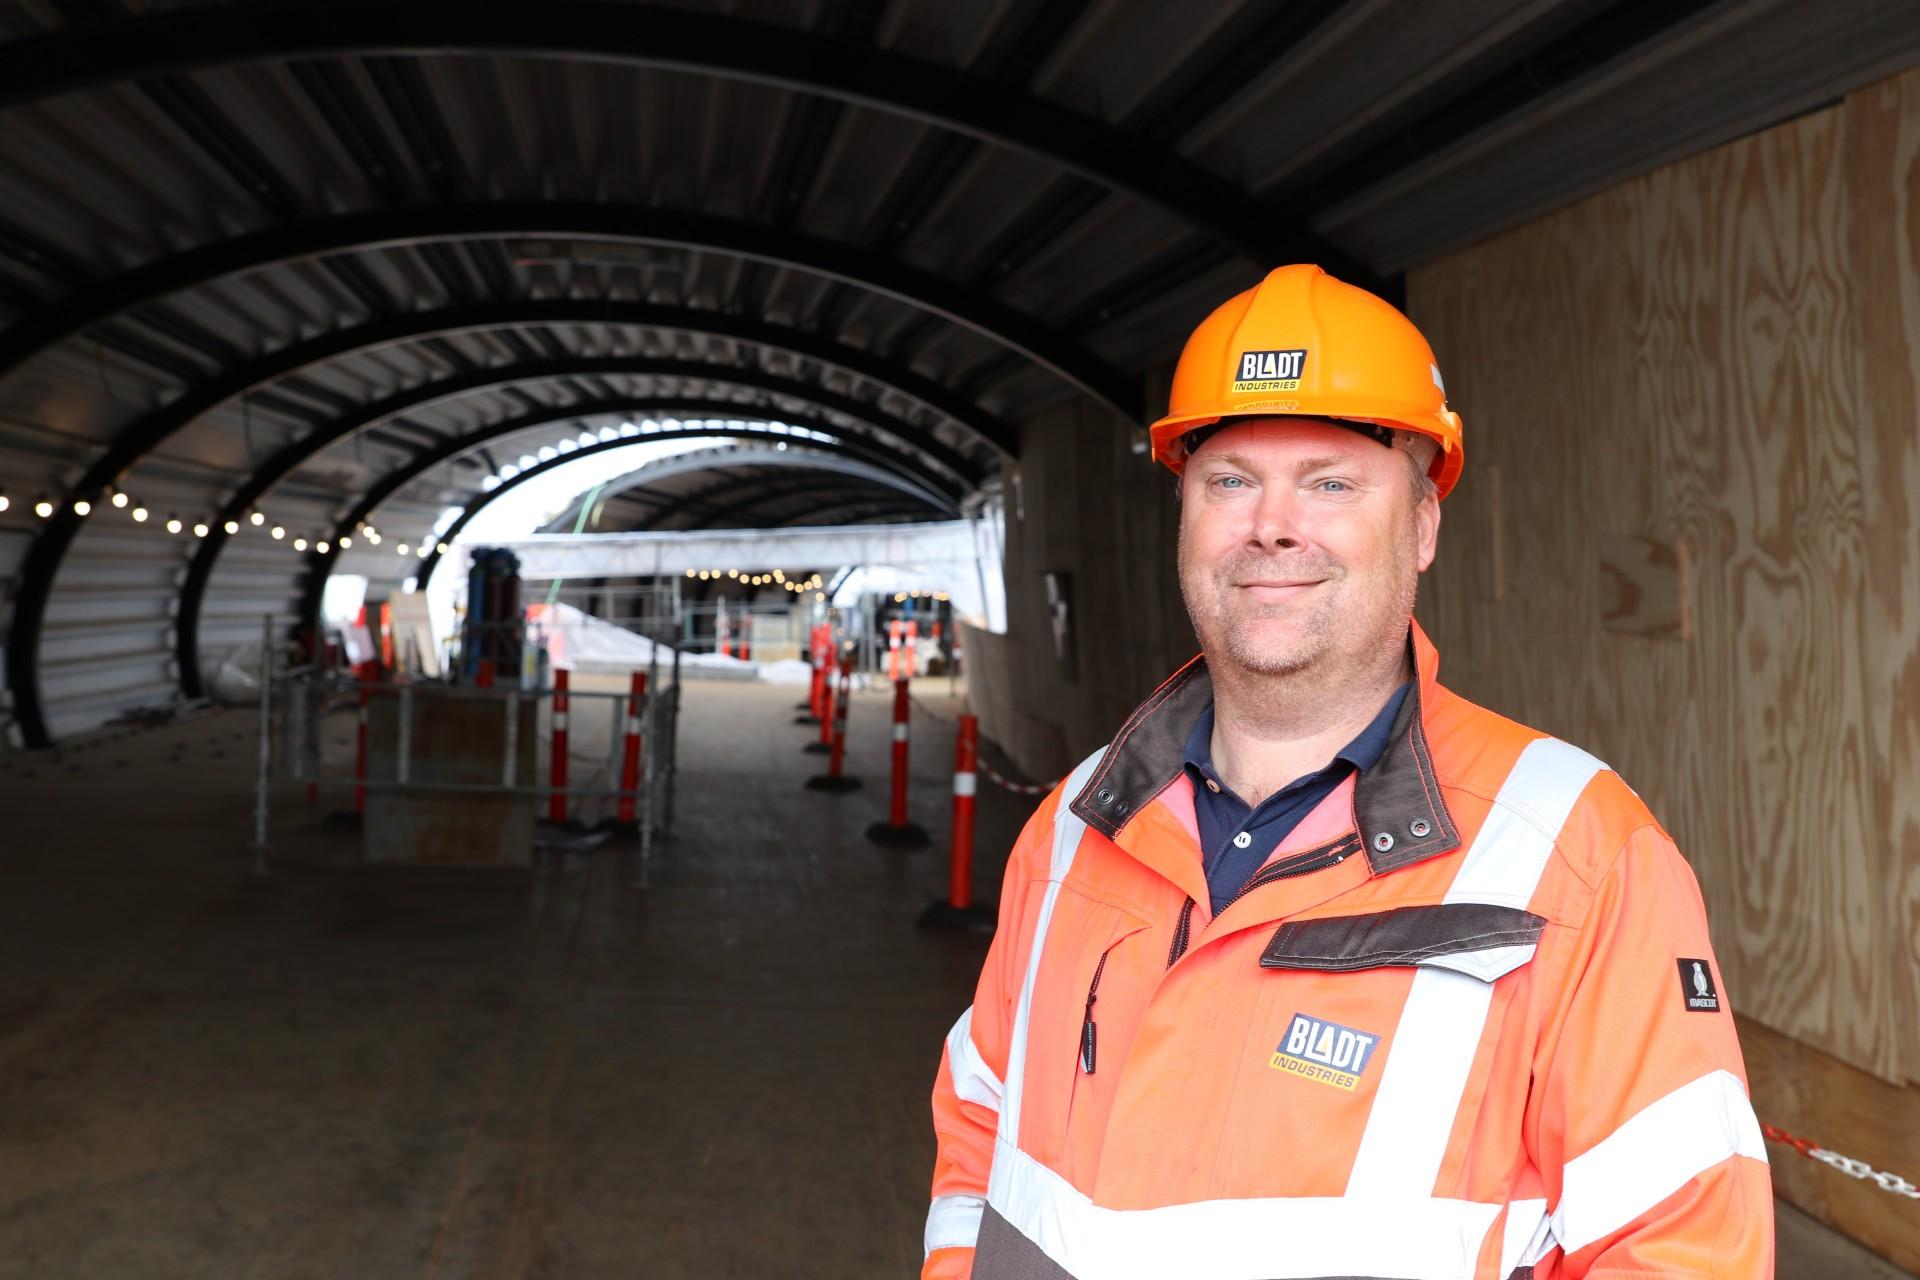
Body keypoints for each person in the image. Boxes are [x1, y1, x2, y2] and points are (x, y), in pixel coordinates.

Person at [922, 265, 1772, 1279]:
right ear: (1185, 515)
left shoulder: (1579, 855)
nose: (1272, 524)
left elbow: (1683, 1250)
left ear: (1421, 526)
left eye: (1330, 481)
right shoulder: (1072, 825)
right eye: (1230, 479)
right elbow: (978, 1128)